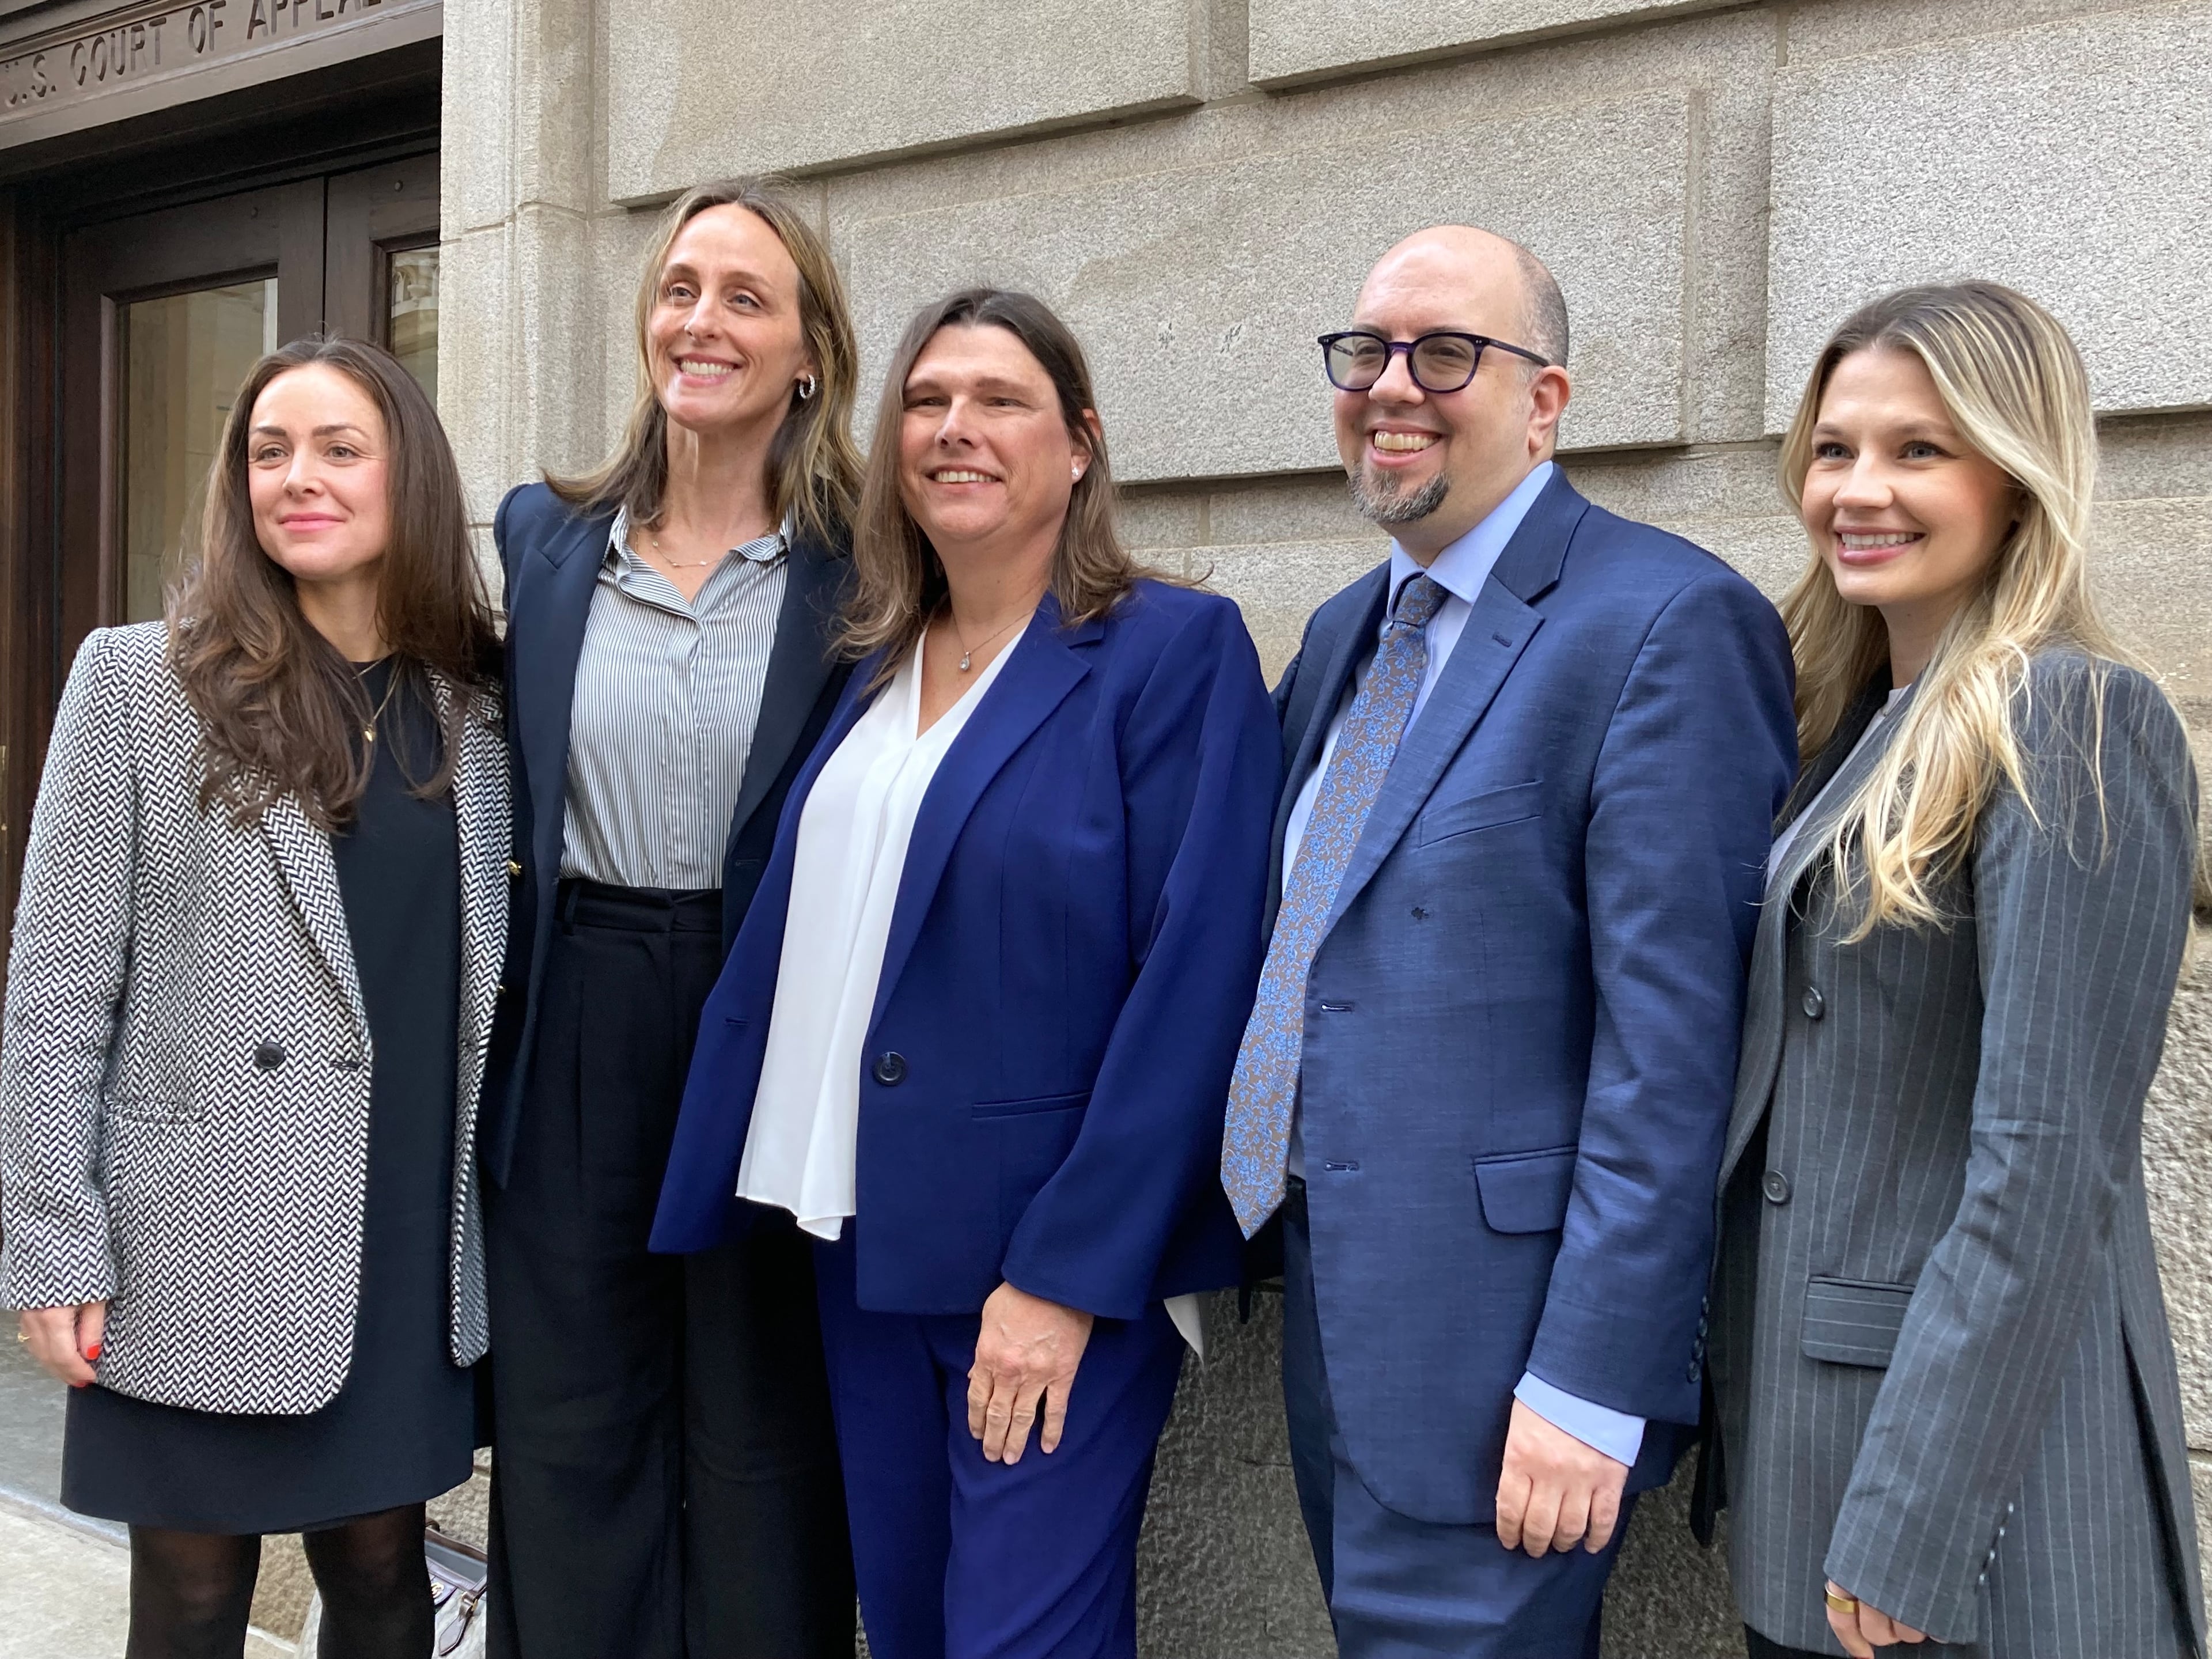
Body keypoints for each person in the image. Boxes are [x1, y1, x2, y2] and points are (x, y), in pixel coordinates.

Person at [651, 287, 1278, 1659]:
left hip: (1045, 1266)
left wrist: (1062, 1280)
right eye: (928, 403)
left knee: (1019, 1643)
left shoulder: (1172, 652)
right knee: (919, 1632)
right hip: (858, 1243)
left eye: (1003, 402)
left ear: (1081, 447)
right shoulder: (871, 659)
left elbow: (1197, 983)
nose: (956, 430)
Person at [1218, 225, 1797, 1657]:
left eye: (1447, 354)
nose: (1393, 385)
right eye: (1367, 352)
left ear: (1546, 400)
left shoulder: (1665, 622)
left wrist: (1595, 1382)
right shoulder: (1353, 627)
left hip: (1511, 1372)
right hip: (1338, 1319)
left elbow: (1673, 1053)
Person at [1702, 281, 2208, 1659]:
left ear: (2017, 473)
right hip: (1820, 1465)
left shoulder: (2075, 717)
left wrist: (1916, 1518)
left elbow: (2045, 1165)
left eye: (1919, 450)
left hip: (1973, 1512)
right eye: (1834, 448)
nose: (1859, 488)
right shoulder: (1841, 724)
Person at [0, 336, 506, 1657]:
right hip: (193, 1237)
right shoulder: (137, 684)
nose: (300, 478)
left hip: (400, 1234)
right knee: (192, 1592)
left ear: (411, 477)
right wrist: (52, 1239)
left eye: (341, 449)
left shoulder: (481, 709)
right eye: (270, 452)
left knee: (387, 1574)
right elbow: (56, 988)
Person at [479, 178, 861, 1658]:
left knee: (761, 1429)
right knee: (571, 1427)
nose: (701, 320)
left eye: (745, 297)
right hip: (576, 1006)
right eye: (681, 287)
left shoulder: (863, 568)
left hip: (764, 1011)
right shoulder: (545, 539)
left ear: (809, 352)